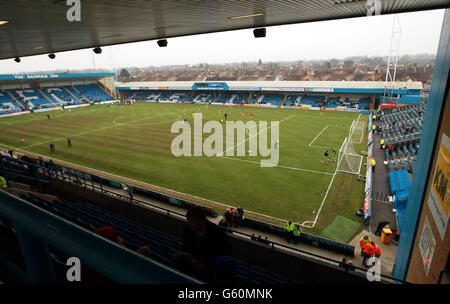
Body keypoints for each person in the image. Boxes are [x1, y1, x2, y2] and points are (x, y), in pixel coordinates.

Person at [182, 207, 231, 282]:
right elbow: (186, 247)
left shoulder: (218, 234)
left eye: (191, 222)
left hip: (210, 273)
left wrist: (206, 264)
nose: (189, 225)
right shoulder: (188, 230)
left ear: (202, 221)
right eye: (188, 222)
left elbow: (223, 254)